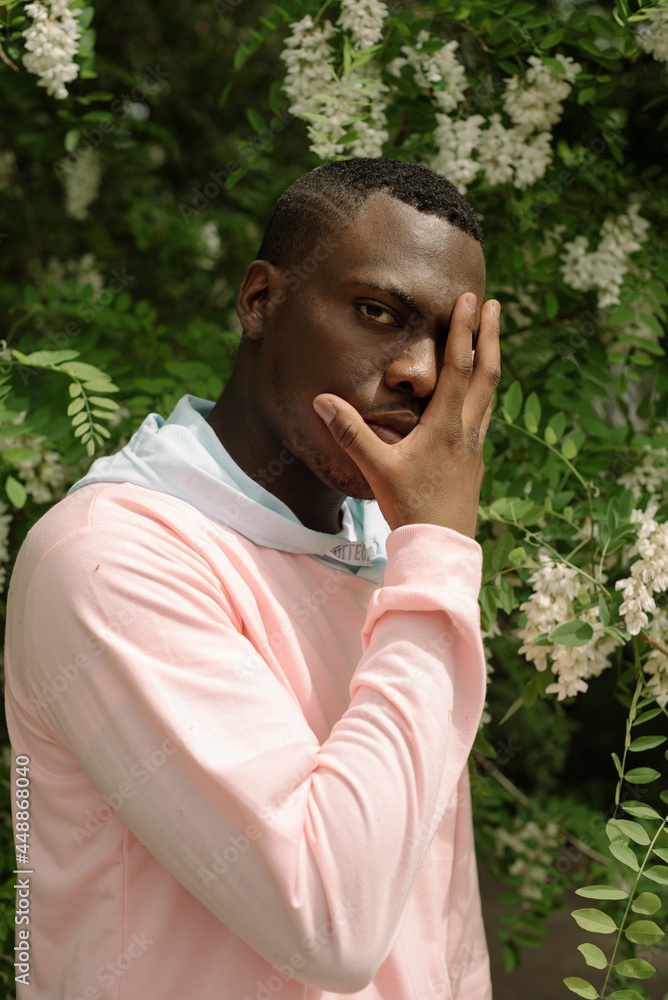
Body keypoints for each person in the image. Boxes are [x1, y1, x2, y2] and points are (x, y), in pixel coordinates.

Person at [5, 157, 501, 999]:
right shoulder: (113, 559)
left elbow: (437, 916)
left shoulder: (396, 553)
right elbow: (330, 924)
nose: (420, 372)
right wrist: (438, 555)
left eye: (449, 343)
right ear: (260, 300)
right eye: (378, 312)